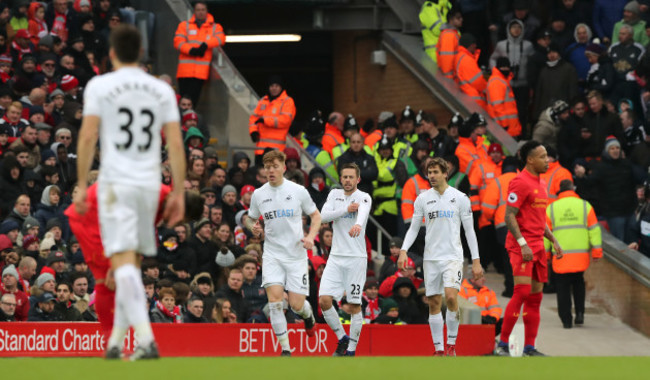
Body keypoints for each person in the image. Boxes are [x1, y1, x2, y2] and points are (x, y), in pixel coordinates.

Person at [74, 25, 186, 361]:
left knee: (121, 263)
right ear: (141, 54)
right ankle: (115, 344)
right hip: (150, 185)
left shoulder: (100, 85)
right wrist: (178, 190)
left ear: (111, 53)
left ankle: (148, 340)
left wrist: (81, 183)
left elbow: (87, 136)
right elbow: (176, 143)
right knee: (130, 268)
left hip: (116, 184)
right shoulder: (160, 89)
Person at [398, 158, 483, 356]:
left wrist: (476, 261)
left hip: (453, 257)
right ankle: (439, 348)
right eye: (429, 173)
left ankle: (452, 344)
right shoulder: (422, 199)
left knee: (452, 297)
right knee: (434, 302)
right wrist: (403, 250)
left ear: (446, 173)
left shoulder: (460, 198)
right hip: (431, 259)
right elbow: (413, 228)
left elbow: (470, 232)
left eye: (436, 172)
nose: (432, 176)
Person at [245, 150, 321, 356]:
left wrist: (311, 237)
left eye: (275, 166)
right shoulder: (259, 194)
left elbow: (316, 215)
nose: (271, 171)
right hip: (272, 254)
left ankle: (308, 317)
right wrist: (254, 226)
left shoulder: (298, 191)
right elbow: (250, 218)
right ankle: (286, 350)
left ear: (284, 167)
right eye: (267, 167)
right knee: (275, 302)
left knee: (296, 305)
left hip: (296, 255)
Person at [495, 141, 564, 357]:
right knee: (522, 292)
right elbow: (509, 215)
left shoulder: (541, 184)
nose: (548, 160)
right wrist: (523, 243)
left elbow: (538, 218)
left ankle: (529, 347)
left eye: (547, 156)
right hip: (521, 246)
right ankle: (503, 343)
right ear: (530, 160)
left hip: (538, 246)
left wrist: (553, 239)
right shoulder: (519, 182)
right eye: (543, 156)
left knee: (535, 299)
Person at [319, 163, 372, 357]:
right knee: (324, 300)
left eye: (351, 177)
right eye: (345, 177)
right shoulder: (334, 195)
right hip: (336, 257)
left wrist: (358, 224)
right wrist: (345, 209)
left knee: (354, 305)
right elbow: (323, 216)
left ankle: (351, 351)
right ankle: (342, 338)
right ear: (340, 179)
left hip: (356, 259)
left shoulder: (364, 196)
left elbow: (363, 212)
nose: (348, 180)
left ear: (358, 179)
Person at [545, 180, 602, 328]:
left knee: (562, 287)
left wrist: (545, 255)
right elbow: (594, 230)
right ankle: (580, 314)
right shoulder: (585, 206)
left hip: (560, 256)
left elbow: (544, 234)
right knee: (578, 283)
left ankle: (566, 320)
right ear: (573, 189)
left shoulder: (551, 208)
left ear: (560, 191)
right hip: (580, 256)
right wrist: (596, 252)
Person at [173, 1, 225, 106]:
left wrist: (206, 45)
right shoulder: (185, 26)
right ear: (194, 11)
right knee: (183, 101)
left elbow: (221, 39)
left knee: (194, 101)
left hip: (199, 73)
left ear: (207, 11)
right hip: (184, 71)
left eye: (203, 10)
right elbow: (178, 42)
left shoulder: (215, 27)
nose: (200, 12)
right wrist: (191, 50)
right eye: (198, 10)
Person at [248, 76, 296, 166]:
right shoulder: (263, 100)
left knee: (274, 177)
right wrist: (253, 131)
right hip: (260, 150)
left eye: (276, 86)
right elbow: (253, 118)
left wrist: (265, 120)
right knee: (259, 175)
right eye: (271, 86)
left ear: (281, 87)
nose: (274, 88)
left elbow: (285, 120)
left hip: (277, 151)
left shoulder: (287, 101)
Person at [458, 268, 502, 336]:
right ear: (473, 278)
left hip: (487, 321)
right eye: (481, 277)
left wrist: (493, 318)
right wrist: (480, 318)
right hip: (471, 323)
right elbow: (462, 312)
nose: (484, 279)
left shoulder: (489, 292)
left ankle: (491, 341)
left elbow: (495, 308)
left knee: (505, 322)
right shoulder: (461, 291)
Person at [486, 57, 522, 138]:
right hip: (504, 129)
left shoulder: (502, 81)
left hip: (508, 128)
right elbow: (498, 106)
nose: (506, 69)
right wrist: (504, 124)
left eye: (507, 67)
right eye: (503, 67)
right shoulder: (497, 82)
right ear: (498, 67)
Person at [454, 33, 487, 109]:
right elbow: (478, 82)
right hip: (474, 100)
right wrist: (488, 85)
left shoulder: (460, 56)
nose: (475, 46)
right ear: (469, 45)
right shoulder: (467, 60)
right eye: (473, 44)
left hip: (467, 95)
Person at [436, 7, 462, 80]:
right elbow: (447, 56)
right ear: (451, 19)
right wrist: (449, 77)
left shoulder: (452, 33)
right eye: (458, 18)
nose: (461, 19)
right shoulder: (449, 35)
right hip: (451, 76)